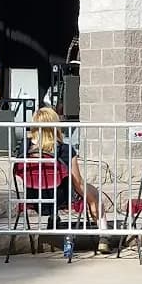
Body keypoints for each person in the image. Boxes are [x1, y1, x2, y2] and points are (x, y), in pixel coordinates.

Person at [27, 107, 111, 253]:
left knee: (49, 181)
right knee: (94, 195)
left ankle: (54, 218)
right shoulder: (65, 149)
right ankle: (104, 237)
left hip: (34, 197)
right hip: (62, 197)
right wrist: (90, 194)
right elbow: (77, 182)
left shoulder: (25, 149)